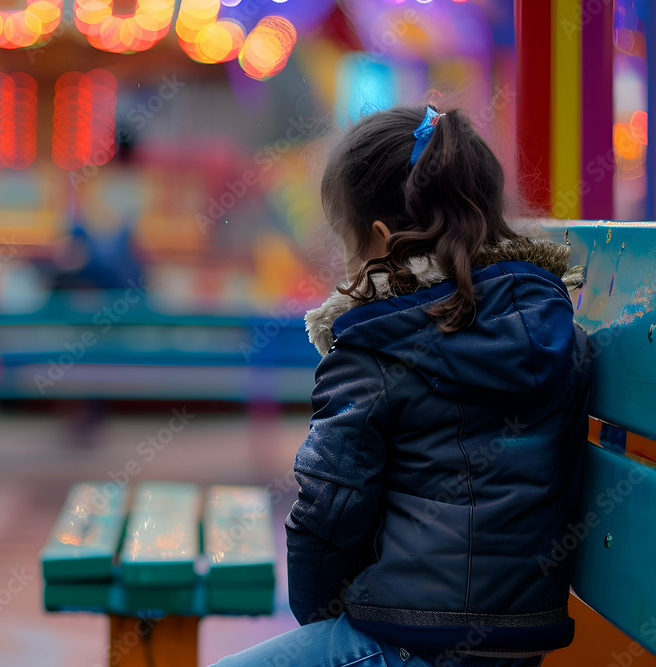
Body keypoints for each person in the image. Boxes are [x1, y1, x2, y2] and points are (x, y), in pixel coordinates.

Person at [213, 106, 591, 666]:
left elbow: (328, 507)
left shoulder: (375, 344)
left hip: (411, 640)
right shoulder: (558, 330)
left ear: (382, 240)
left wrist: (323, 616)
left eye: (348, 246)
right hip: (522, 635)